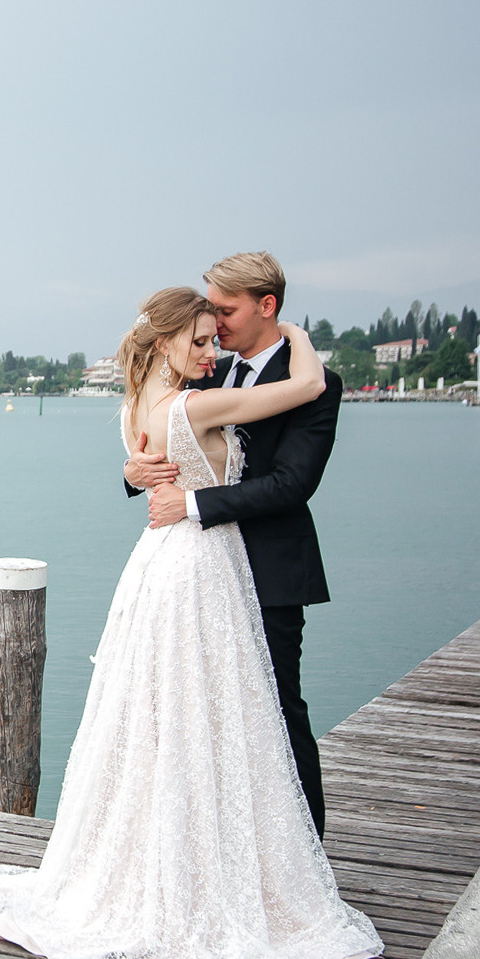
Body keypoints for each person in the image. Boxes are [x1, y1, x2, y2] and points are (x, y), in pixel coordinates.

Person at [0, 286, 381, 959]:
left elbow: (273, 473)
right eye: (197, 338)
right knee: (208, 716)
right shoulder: (194, 399)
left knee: (189, 717)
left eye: (215, 334)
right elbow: (303, 384)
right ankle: (206, 882)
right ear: (162, 343)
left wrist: (144, 468)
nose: (211, 347)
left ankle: (218, 864)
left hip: (172, 567)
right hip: (197, 569)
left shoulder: (138, 403)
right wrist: (298, 334)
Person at [125, 252, 334, 839]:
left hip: (268, 569)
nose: (214, 325)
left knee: (278, 711)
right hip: (196, 571)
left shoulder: (317, 384)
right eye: (209, 310)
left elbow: (293, 484)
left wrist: (189, 505)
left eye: (225, 309)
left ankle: (306, 858)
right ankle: (219, 849)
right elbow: (170, 437)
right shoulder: (204, 370)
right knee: (200, 716)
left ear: (267, 306)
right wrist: (135, 470)